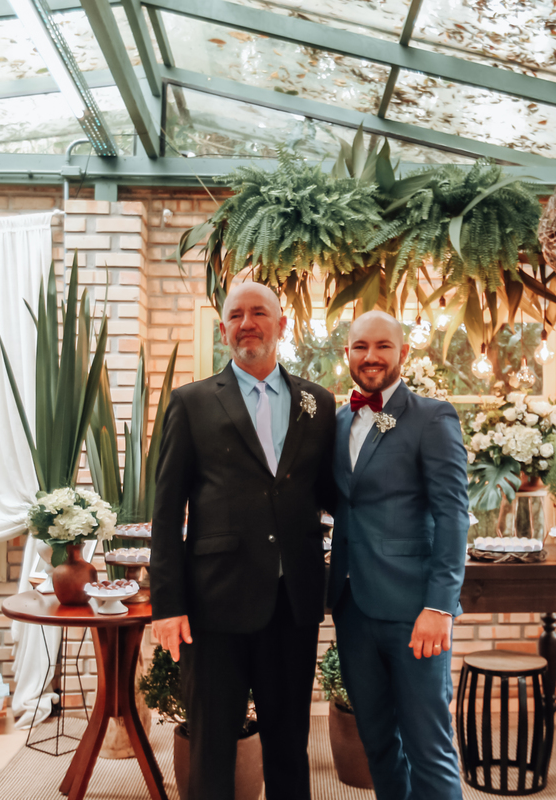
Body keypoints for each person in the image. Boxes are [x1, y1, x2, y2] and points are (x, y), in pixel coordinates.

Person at [150, 282, 336, 800]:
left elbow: (332, 494)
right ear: (224, 328)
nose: (247, 323)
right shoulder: (191, 403)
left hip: (292, 603)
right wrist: (168, 604)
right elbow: (165, 512)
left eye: (259, 313)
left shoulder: (318, 403)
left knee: (289, 747)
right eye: (236, 315)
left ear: (282, 324)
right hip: (214, 607)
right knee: (211, 750)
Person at [327, 310, 469, 800]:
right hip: (352, 609)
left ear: (403, 353)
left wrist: (439, 607)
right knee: (379, 747)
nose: (371, 356)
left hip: (415, 613)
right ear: (347, 352)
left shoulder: (433, 417)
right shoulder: (339, 420)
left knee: (429, 748)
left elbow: (453, 516)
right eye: (360, 346)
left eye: (383, 346)